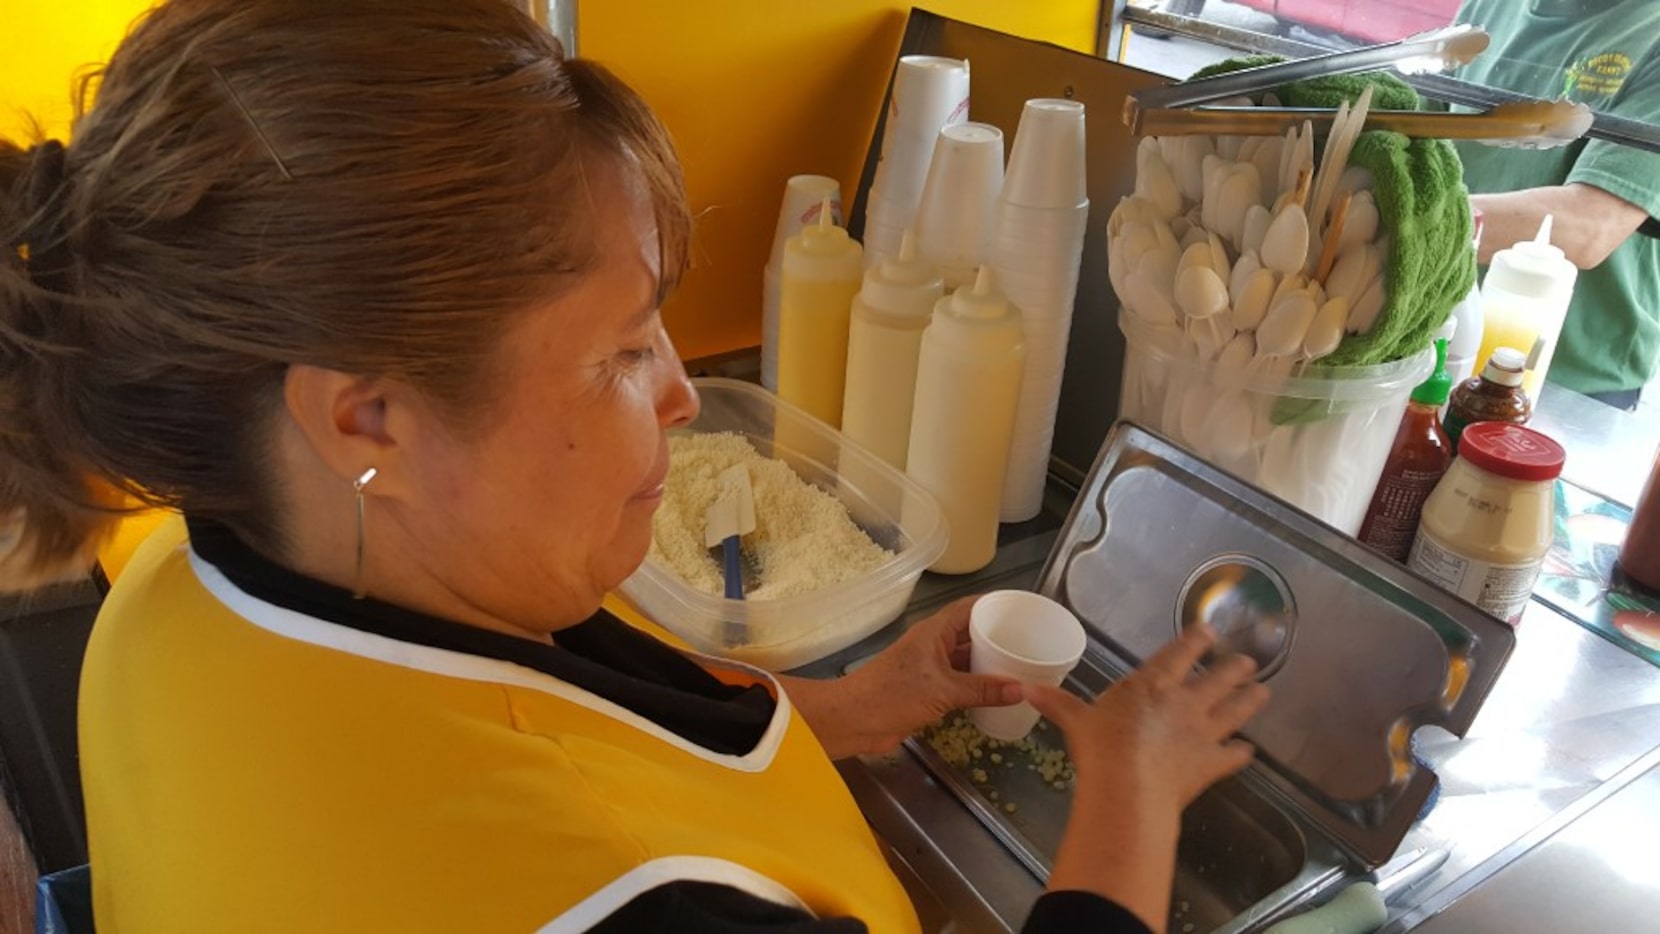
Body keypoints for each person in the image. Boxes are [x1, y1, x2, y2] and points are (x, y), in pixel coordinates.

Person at [0, 1, 1269, 931]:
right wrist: (1132, 794)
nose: (678, 394)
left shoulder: (173, 595)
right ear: (365, 420)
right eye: (619, 353)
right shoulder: (607, 905)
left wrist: (849, 706)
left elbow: (573, 721)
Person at [1454, 0, 1660, 410]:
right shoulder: (1487, 7)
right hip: (1444, 337)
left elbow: (1588, 226)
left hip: (1567, 381)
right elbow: (1411, 154)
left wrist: (1407, 223)